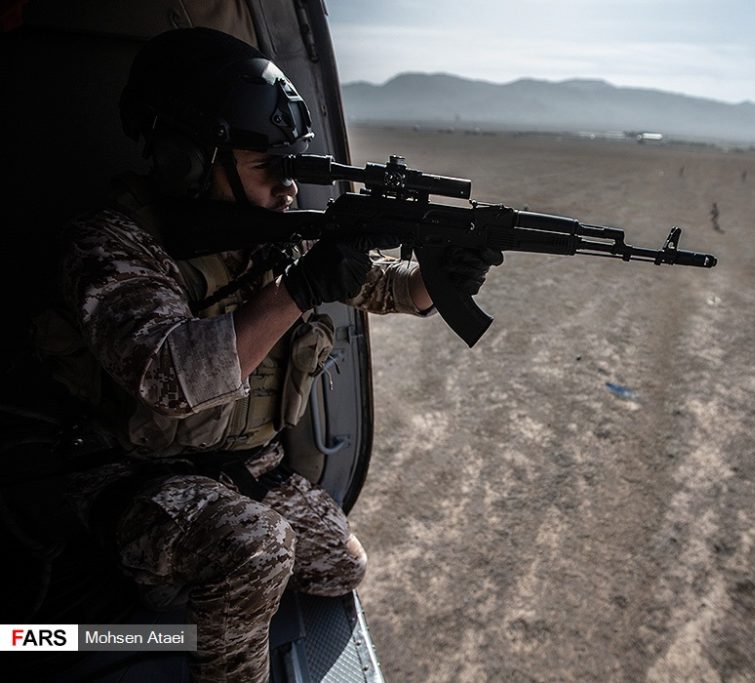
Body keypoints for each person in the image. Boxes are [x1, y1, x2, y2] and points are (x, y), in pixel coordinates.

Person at [34, 28, 500, 681]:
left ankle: (189, 590)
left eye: (297, 167)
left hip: (241, 466)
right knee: (257, 549)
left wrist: (445, 275)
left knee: (342, 563)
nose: (290, 187)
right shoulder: (112, 245)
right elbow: (171, 379)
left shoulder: (270, 238)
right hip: (131, 476)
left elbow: (392, 291)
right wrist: (298, 288)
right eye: (271, 167)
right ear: (188, 160)